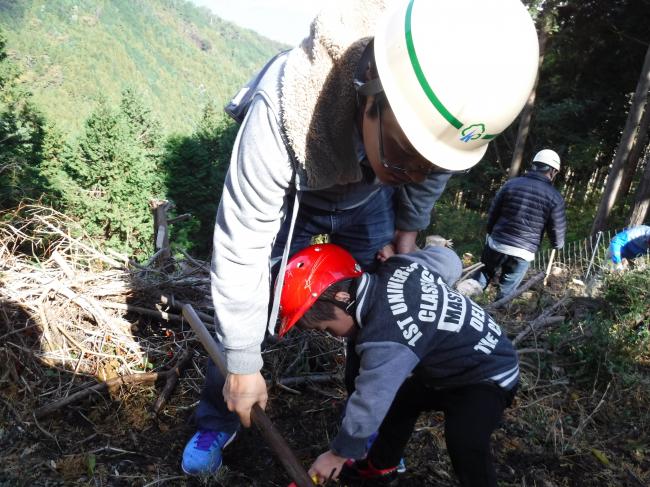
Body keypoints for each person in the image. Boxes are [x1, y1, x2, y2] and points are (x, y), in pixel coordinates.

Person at [181, 0, 539, 475]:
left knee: (381, 308)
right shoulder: (284, 109)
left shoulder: (440, 121)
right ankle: (218, 417)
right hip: (297, 195)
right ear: (373, 93)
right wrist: (244, 363)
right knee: (259, 303)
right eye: (404, 152)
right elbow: (240, 246)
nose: (415, 172)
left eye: (429, 162)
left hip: (367, 201)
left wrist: (406, 231)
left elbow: (426, 174)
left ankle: (370, 426)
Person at [277, 243, 519, 486]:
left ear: (342, 298)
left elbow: (371, 399)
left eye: (327, 327)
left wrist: (338, 454)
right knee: (400, 400)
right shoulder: (400, 265)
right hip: (450, 369)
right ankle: (381, 466)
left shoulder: (385, 336)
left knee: (466, 442)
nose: (333, 335)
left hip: (489, 374)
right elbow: (449, 260)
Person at [470, 149, 567, 300]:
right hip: (524, 252)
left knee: (483, 274)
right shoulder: (555, 197)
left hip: (498, 243)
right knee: (506, 293)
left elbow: (493, 212)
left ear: (534, 165)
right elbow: (557, 231)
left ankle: (463, 303)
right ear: (553, 171)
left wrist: (491, 232)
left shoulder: (511, 184)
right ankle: (495, 315)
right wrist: (557, 244)